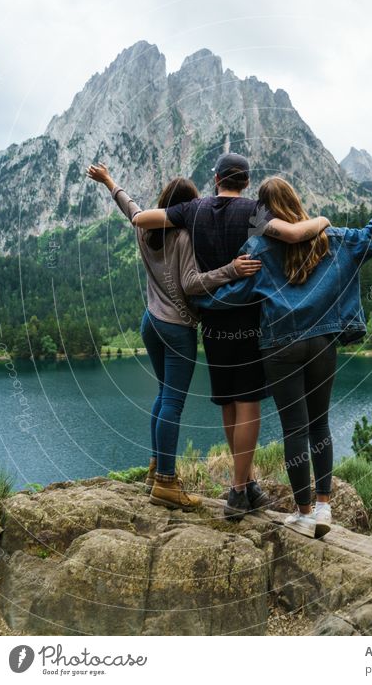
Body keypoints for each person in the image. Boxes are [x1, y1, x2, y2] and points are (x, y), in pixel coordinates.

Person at [196, 173, 372, 537]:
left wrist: (194, 298)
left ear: (265, 213)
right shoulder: (331, 239)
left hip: (280, 347)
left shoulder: (258, 249)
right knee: (320, 425)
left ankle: (302, 513)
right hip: (323, 343)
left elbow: (232, 294)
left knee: (294, 430)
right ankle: (324, 507)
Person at [131, 153, 330, 518]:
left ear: (217, 177)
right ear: (246, 181)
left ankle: (245, 483)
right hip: (251, 321)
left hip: (213, 323)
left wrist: (132, 201)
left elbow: (140, 218)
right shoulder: (254, 212)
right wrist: (323, 219)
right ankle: (240, 489)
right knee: (248, 401)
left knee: (227, 402)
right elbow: (295, 233)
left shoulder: (193, 209)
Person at [86, 163, 261, 511]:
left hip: (150, 322)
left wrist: (109, 181)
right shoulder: (182, 237)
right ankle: (166, 481)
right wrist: (232, 270)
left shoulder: (144, 232)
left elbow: (131, 208)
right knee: (173, 403)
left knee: (163, 395)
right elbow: (191, 284)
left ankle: (155, 469)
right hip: (177, 328)